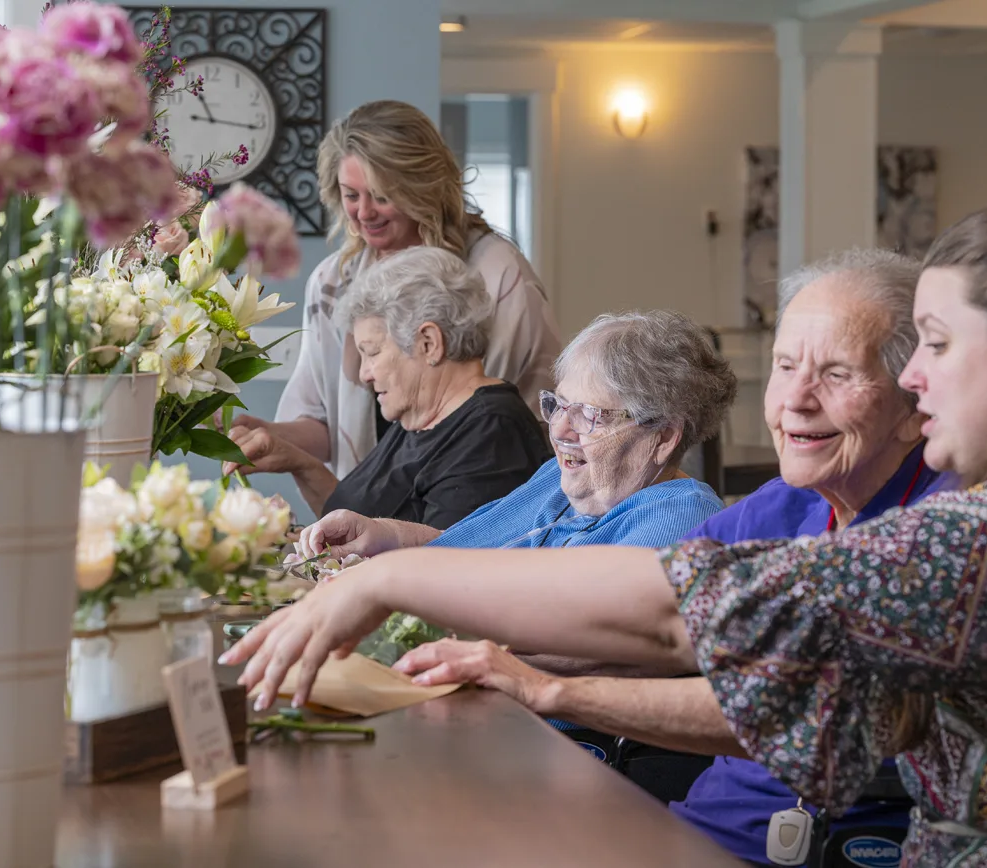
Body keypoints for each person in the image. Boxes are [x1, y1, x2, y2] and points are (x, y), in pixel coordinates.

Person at [223, 201, 987, 866]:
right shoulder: (985, 516)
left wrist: (388, 584)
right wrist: (528, 675)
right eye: (787, 366)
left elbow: (668, 610)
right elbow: (748, 669)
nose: (914, 378)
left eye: (937, 347)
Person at [394, 248, 947, 865]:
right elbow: (653, 596)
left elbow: (798, 702)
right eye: (786, 366)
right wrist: (388, 584)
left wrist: (545, 688)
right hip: (707, 825)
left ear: (915, 400)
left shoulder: (941, 527)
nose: (796, 399)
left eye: (838, 374)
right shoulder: (783, 505)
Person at [224, 100, 561, 490]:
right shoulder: (333, 283)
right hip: (367, 512)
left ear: (422, 187)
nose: (364, 213)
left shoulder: (497, 277)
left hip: (475, 500)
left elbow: (503, 425)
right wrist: (267, 433)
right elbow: (324, 422)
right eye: (351, 195)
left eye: (381, 196)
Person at [294, 310, 737, 560]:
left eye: (590, 416)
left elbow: (574, 634)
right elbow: (467, 549)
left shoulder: (678, 517)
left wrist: (405, 594)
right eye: (559, 405)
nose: (559, 429)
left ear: (662, 436)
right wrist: (383, 535)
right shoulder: (556, 479)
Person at [241, 245, 550, 526]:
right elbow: (356, 523)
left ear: (428, 343)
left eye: (372, 352)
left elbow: (444, 570)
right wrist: (298, 462)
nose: (364, 375)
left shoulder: (491, 434)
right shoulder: (418, 416)